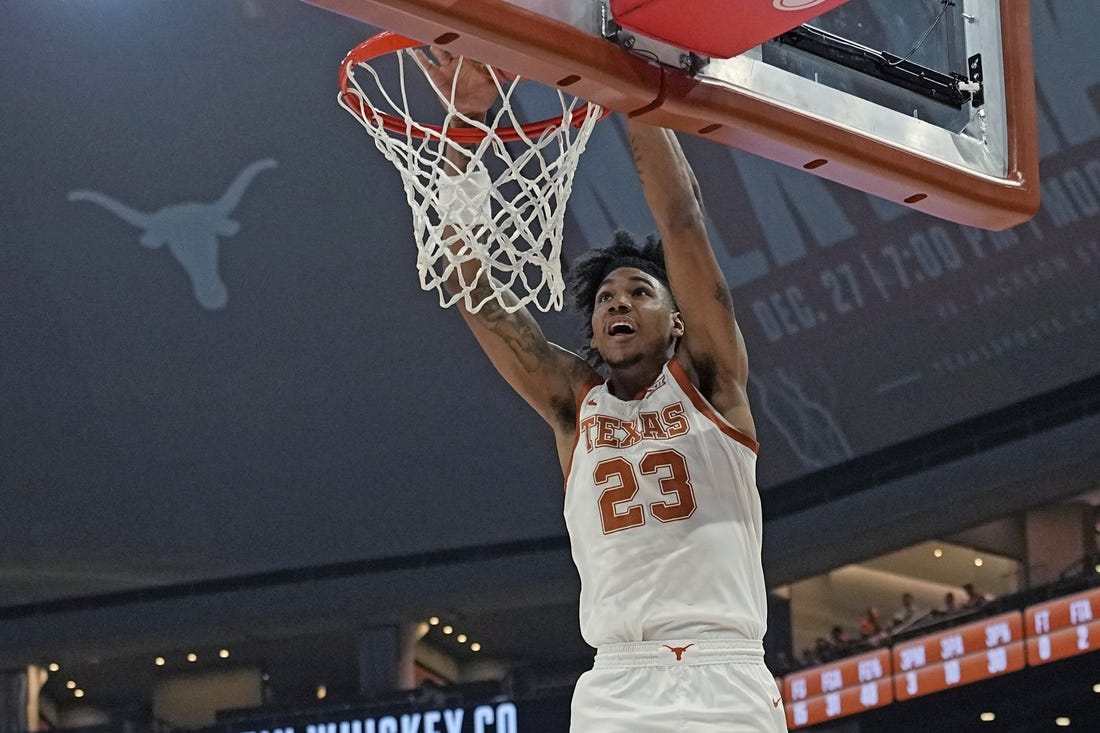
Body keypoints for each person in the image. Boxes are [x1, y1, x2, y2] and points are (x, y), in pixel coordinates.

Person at [415, 47, 787, 732]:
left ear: (676, 319)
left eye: (639, 291)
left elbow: (680, 219)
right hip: (619, 680)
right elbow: (474, 290)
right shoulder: (573, 404)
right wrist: (464, 129)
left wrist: (628, 84)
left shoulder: (709, 379)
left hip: (722, 670)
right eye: (607, 296)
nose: (618, 301)